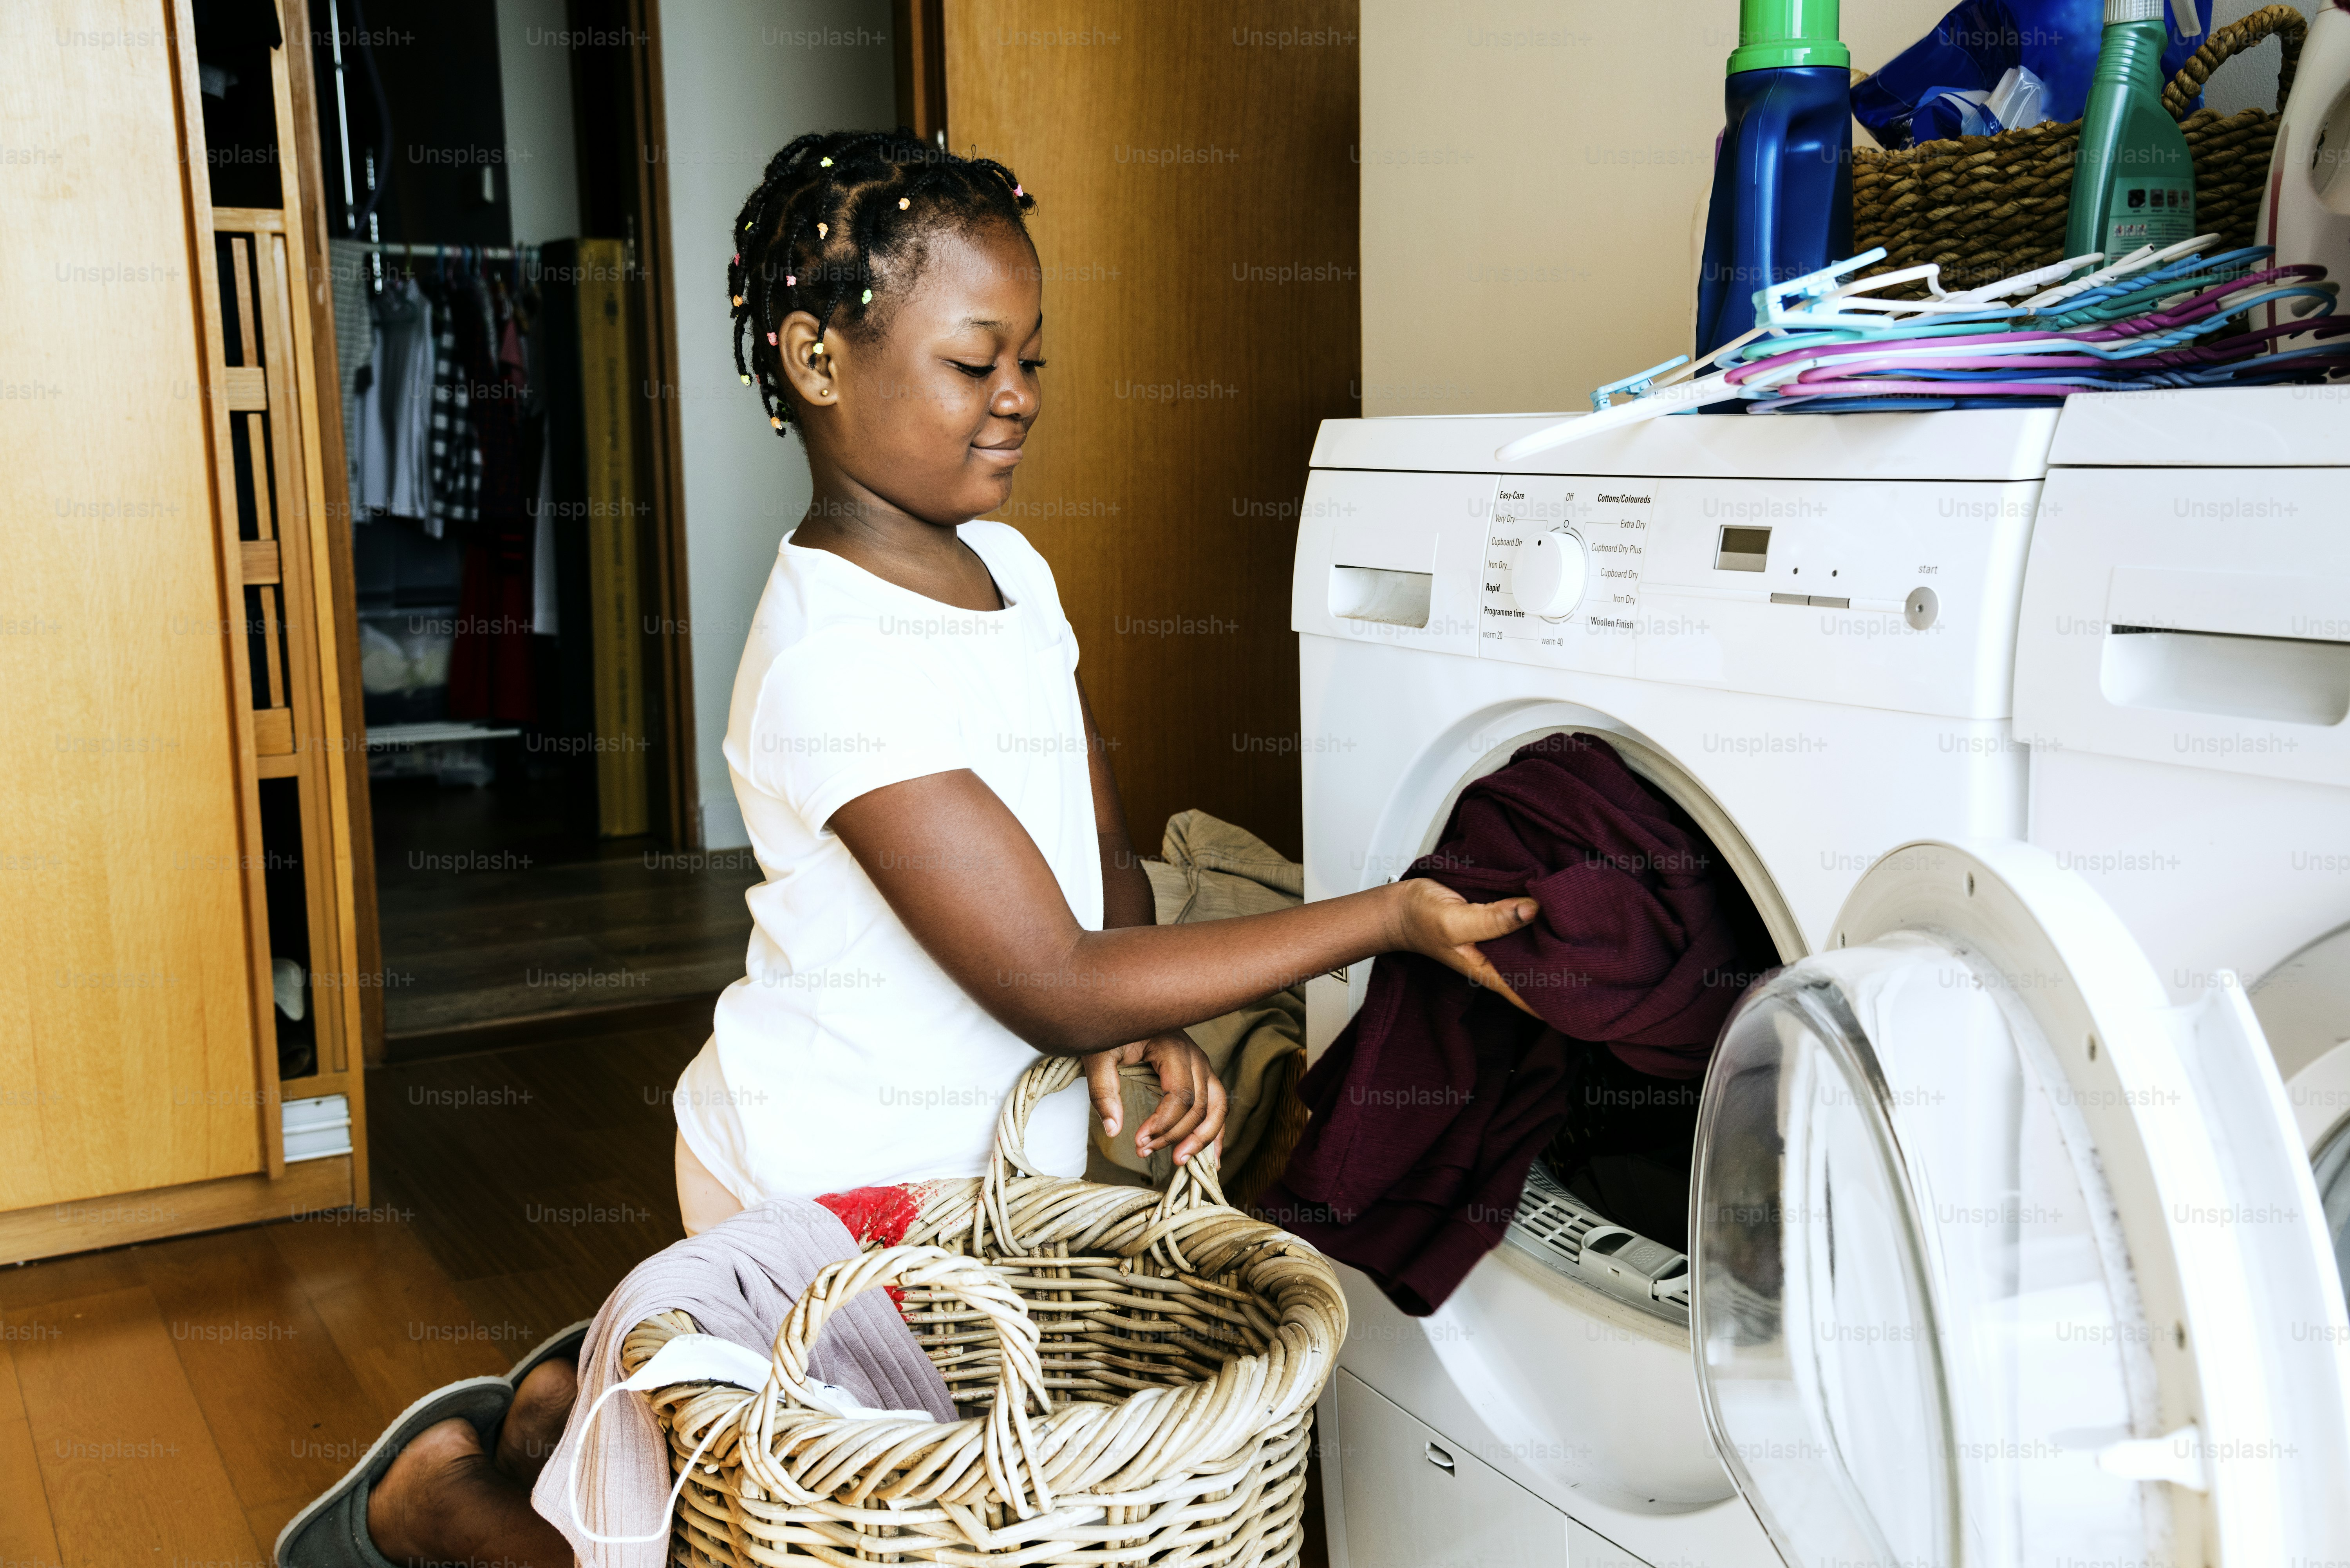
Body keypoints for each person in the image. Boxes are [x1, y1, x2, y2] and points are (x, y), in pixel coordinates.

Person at [291, 128, 1534, 1568]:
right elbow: (1056, 972)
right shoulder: (830, 660)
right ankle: (440, 1500)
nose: (1017, 400)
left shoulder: (1010, 566)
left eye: (1033, 360)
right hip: (823, 1187)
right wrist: (1382, 918)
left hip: (977, 1192)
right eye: (973, 363)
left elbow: (1094, 859)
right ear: (817, 362)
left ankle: (586, 1404)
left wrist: (1143, 1028)